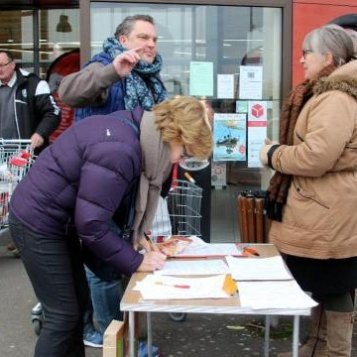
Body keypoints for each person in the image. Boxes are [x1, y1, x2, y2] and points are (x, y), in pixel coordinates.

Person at [9, 95, 213, 357]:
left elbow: (107, 202)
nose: (177, 160)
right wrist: (135, 261)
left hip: (57, 220)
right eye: (183, 152)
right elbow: (92, 224)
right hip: (37, 221)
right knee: (63, 316)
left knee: (78, 308)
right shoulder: (120, 149)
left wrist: (136, 238)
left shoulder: (139, 132)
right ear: (174, 132)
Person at [58, 14, 169, 347]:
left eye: (154, 38)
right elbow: (69, 91)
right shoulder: (104, 66)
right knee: (103, 262)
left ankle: (120, 331)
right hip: (100, 182)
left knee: (123, 255)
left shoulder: (151, 78)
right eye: (143, 37)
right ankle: (112, 337)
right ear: (123, 41)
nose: (150, 44)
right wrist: (111, 72)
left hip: (130, 182)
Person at [259, 24, 357, 356]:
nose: (301, 60)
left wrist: (273, 154)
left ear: (327, 56)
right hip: (326, 206)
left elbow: (317, 156)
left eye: (306, 53)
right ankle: (317, 347)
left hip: (326, 209)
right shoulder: (330, 92)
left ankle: (333, 352)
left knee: (333, 285)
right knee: (327, 283)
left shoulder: (335, 97)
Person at [0, 49, 60, 256]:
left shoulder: (33, 84)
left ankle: (24, 239)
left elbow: (53, 113)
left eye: (2, 65)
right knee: (4, 199)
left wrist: (39, 134)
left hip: (25, 154)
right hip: (2, 154)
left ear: (12, 64)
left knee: (24, 199)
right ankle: (13, 236)